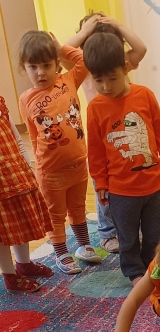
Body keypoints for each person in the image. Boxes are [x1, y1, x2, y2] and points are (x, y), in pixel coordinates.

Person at [83, 32, 160, 283]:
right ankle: (135, 271)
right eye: (98, 80)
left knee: (156, 233)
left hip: (156, 184)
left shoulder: (145, 95)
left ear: (125, 67)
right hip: (121, 191)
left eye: (112, 78)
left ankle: (153, 266)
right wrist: (101, 183)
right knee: (127, 237)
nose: (106, 87)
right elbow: (95, 151)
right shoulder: (95, 108)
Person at [18, 30, 102, 275]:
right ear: (24, 68)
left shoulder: (68, 80)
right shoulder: (26, 99)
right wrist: (39, 164)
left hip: (78, 163)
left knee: (77, 207)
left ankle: (84, 246)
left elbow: (84, 60)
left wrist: (60, 47)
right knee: (55, 214)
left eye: (47, 65)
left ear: (56, 63)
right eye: (33, 67)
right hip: (51, 171)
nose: (41, 72)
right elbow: (34, 134)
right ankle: (61, 252)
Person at [65, 12, 147, 253]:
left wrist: (118, 25)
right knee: (103, 184)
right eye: (90, 36)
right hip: (101, 134)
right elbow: (63, 52)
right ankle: (108, 232)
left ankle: (129, 227)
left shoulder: (120, 62)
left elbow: (141, 49)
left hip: (126, 132)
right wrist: (85, 31)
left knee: (131, 180)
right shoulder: (85, 66)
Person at [0, 95, 53, 293]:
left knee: (20, 221)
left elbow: (16, 139)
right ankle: (9, 276)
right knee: (2, 232)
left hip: (15, 173)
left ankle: (23, 264)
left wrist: (26, 166)